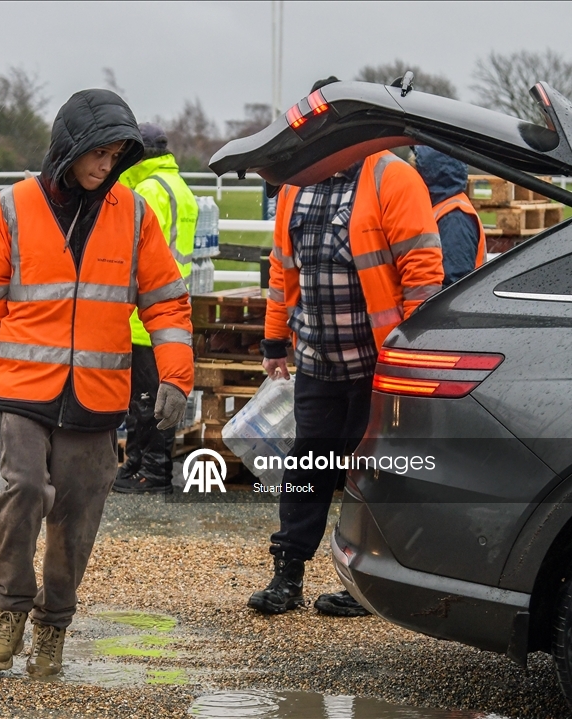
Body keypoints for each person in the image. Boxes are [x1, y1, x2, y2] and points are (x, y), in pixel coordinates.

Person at [0, 89, 194, 676]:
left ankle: (52, 626)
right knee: (23, 493)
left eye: (115, 158)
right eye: (99, 154)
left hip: (97, 395)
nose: (105, 167)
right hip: (22, 389)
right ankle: (9, 609)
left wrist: (177, 376)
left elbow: (166, 301)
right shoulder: (12, 208)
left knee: (79, 514)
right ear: (70, 147)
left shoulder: (134, 215)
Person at [249, 78, 444, 618]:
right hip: (317, 361)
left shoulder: (393, 178)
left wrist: (411, 354)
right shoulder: (293, 186)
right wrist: (274, 341)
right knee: (307, 466)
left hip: (377, 364)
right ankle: (287, 576)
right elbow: (282, 272)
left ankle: (366, 586)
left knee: (371, 474)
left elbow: (423, 275)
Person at [112, 123, 198, 494]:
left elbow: (133, 254)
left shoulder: (146, 191)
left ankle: (152, 472)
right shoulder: (177, 186)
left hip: (144, 314)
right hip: (169, 308)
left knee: (146, 401)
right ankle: (137, 466)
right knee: (152, 398)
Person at [412, 145, 485, 286]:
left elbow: (453, 285)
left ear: (430, 173)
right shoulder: (443, 207)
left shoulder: (453, 217)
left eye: (416, 168)